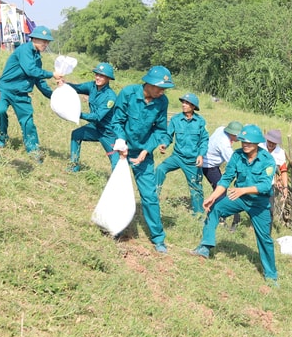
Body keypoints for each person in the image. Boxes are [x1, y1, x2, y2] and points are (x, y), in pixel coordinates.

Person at [191, 125, 278, 283]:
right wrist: (213, 196)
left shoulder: (268, 160)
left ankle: (271, 275)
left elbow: (266, 186)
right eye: (243, 141)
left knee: (265, 238)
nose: (245, 145)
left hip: (259, 203)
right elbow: (226, 179)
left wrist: (243, 190)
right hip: (239, 197)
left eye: (249, 143)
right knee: (214, 209)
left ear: (257, 143)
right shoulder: (237, 156)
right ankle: (205, 247)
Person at [110, 65, 174, 253]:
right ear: (148, 83)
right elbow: (117, 121)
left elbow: (160, 130)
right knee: (119, 189)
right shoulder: (128, 93)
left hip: (143, 154)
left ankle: (158, 238)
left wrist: (148, 150)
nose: (162, 92)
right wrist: (122, 143)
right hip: (123, 149)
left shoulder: (162, 102)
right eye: (159, 88)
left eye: (164, 89)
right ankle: (115, 228)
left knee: (150, 196)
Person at [0, 25, 61, 162]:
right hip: (5, 89)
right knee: (0, 111)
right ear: (34, 38)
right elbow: (31, 71)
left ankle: (33, 150)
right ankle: (3, 137)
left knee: (28, 122)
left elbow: (39, 80)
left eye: (47, 42)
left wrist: (53, 96)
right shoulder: (24, 50)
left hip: (21, 94)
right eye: (43, 41)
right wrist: (52, 74)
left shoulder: (38, 58)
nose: (45, 44)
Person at [155, 92, 209, 214]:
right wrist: (164, 144)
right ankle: (153, 199)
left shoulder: (200, 122)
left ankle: (199, 215)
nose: (184, 105)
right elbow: (168, 136)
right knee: (160, 169)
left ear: (193, 106)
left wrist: (201, 155)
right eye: (183, 102)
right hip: (177, 157)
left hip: (192, 160)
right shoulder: (175, 119)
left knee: (196, 188)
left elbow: (204, 140)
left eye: (187, 103)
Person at [59, 62, 117, 173]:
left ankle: (117, 186)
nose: (98, 77)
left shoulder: (110, 97)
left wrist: (78, 114)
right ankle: (73, 166)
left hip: (109, 133)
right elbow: (78, 88)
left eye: (102, 75)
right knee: (76, 134)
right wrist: (65, 84)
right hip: (95, 128)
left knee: (116, 163)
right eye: (97, 74)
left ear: (108, 78)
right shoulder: (92, 86)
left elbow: (97, 117)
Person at [202, 120, 243, 228]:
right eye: (238, 136)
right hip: (209, 166)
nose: (239, 139)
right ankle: (219, 218)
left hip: (209, 161)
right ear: (233, 134)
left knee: (219, 189)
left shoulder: (221, 129)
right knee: (221, 191)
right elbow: (232, 162)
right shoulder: (224, 144)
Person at [260, 129, 289, 218]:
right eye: (270, 141)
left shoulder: (280, 152)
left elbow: (283, 170)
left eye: (274, 143)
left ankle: (267, 229)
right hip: (256, 180)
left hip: (269, 183)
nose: (271, 144)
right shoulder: (260, 147)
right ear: (267, 139)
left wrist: (285, 187)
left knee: (270, 209)